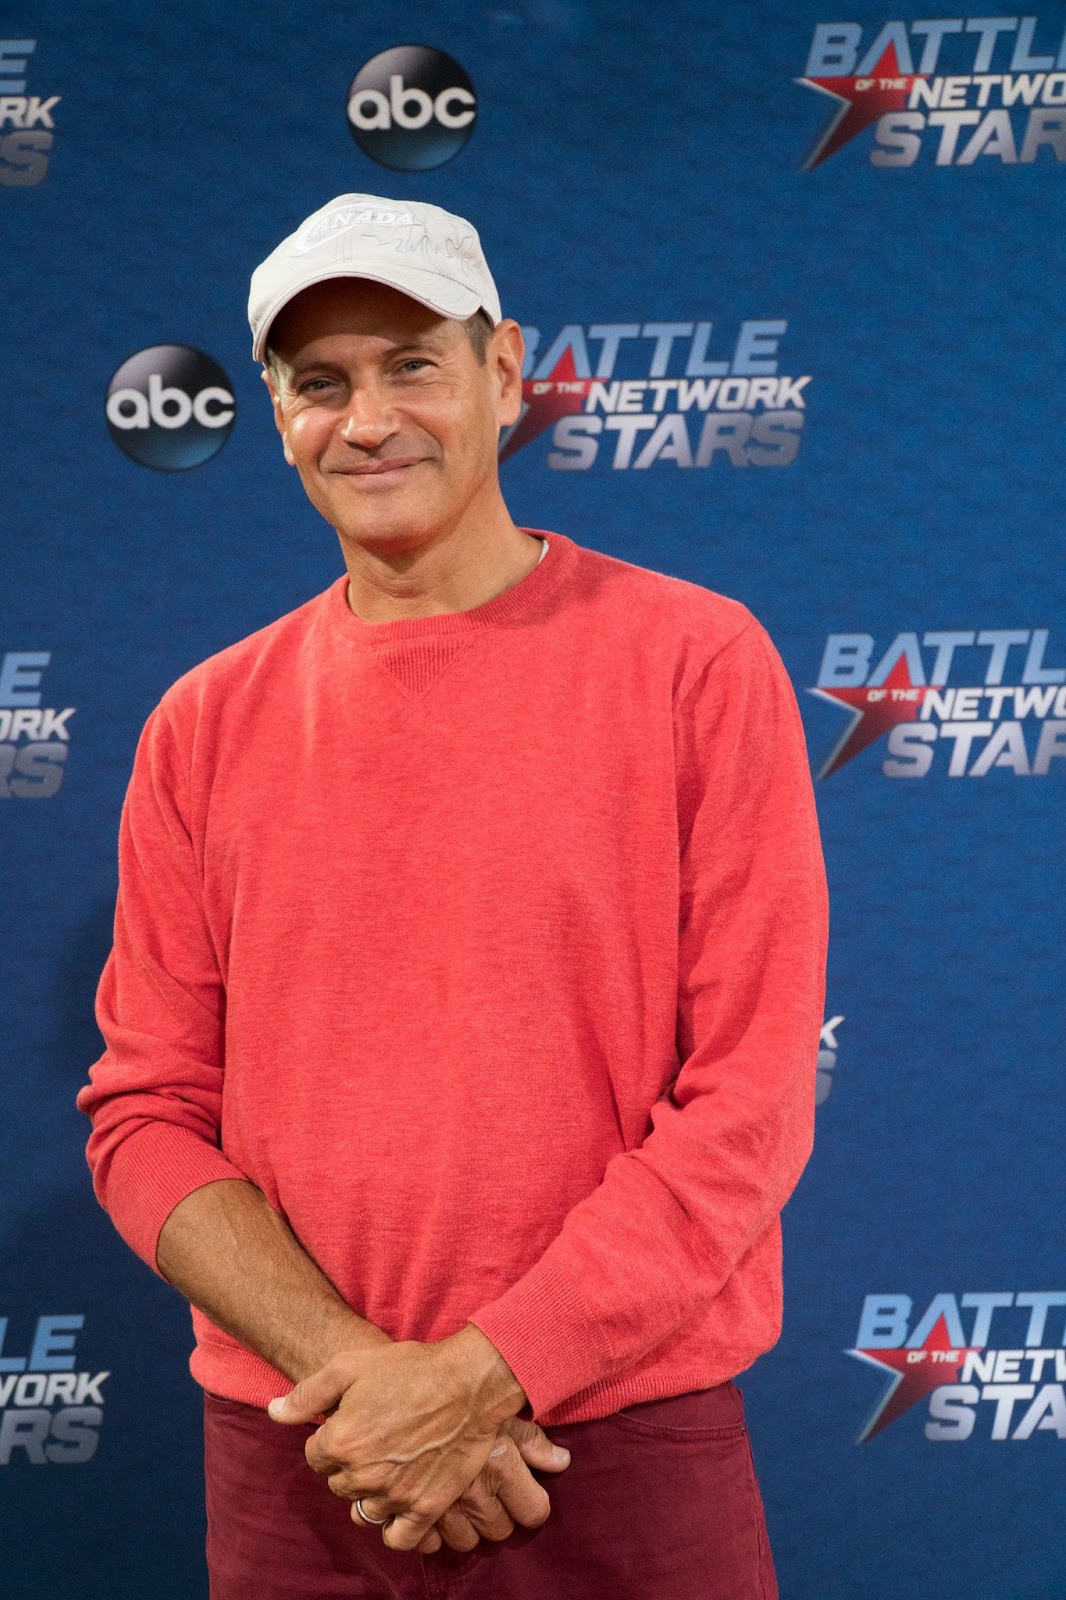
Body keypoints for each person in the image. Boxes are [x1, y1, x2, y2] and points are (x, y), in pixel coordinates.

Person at [77, 192, 829, 1600]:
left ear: (504, 371)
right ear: (278, 416)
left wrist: (490, 1376)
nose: (367, 420)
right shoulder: (200, 723)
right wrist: (372, 1384)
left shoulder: (694, 663)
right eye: (320, 384)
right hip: (308, 1451)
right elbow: (146, 1117)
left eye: (411, 363)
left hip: (612, 1448)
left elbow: (749, 1099)